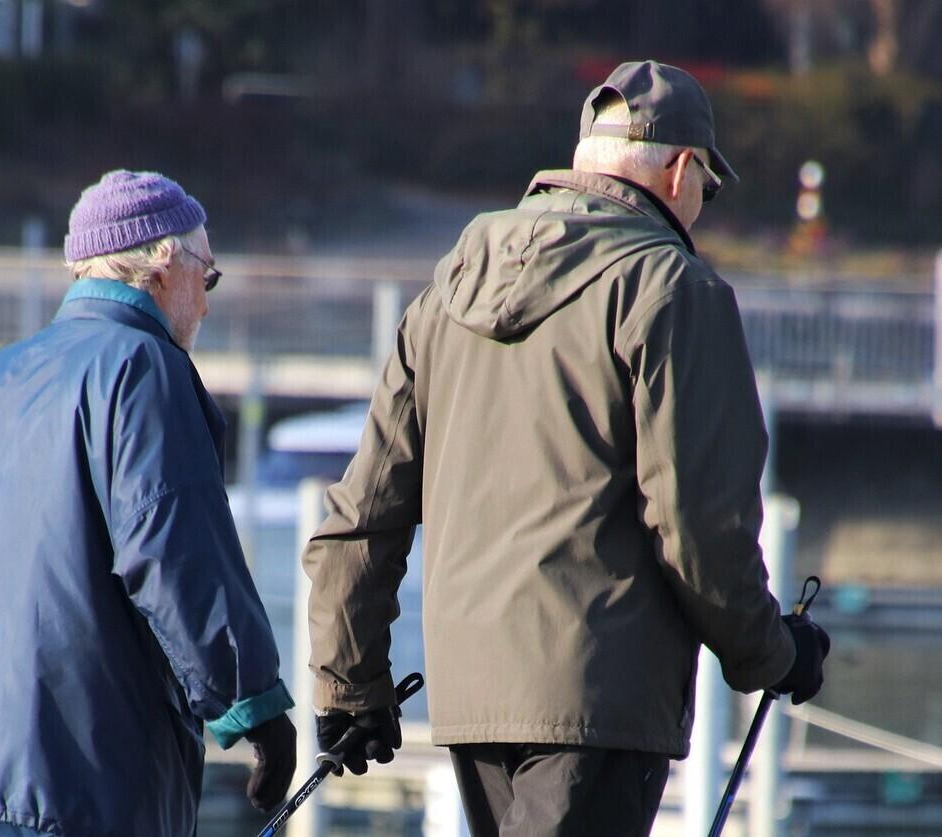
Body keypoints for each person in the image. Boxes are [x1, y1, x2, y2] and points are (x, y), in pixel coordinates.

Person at [301, 60, 831, 835]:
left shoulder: (448, 287)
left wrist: (349, 685)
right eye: (708, 189)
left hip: (476, 700)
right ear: (684, 169)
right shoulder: (673, 289)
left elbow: (363, 511)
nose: (702, 208)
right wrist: (775, 653)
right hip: (601, 703)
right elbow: (699, 526)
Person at [0, 169, 296, 836]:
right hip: (97, 779)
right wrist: (254, 703)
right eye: (209, 275)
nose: (205, 303)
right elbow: (173, 551)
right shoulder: (145, 367)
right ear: (165, 266)